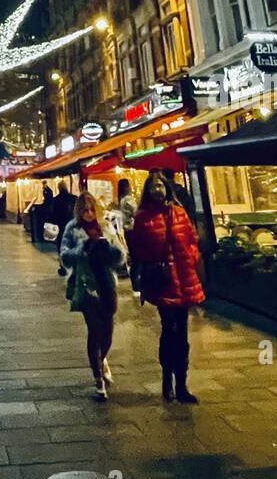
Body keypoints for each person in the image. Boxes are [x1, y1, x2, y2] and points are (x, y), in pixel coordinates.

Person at [131, 170, 204, 404]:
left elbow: (192, 241)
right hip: (162, 282)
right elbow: (138, 251)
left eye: (161, 185)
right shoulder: (143, 218)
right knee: (169, 328)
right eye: (153, 186)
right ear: (148, 191)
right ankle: (167, 381)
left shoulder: (179, 213)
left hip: (184, 280)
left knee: (181, 333)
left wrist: (190, 260)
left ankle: (181, 384)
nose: (158, 189)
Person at [59, 192, 125, 401]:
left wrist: (109, 250)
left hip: (106, 284)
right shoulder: (72, 228)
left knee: (108, 333)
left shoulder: (105, 226)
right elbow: (65, 258)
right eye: (84, 210)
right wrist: (82, 249)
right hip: (85, 285)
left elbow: (121, 254)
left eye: (91, 209)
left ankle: (101, 358)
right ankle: (98, 379)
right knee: (94, 331)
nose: (88, 214)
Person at [53, 184, 76, 274]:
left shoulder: (56, 200)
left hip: (62, 227)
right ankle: (74, 265)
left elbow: (53, 215)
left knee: (61, 247)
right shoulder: (74, 198)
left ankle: (63, 267)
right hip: (73, 226)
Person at [116, 178, 136, 273]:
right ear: (127, 187)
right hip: (132, 229)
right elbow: (135, 212)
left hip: (125, 229)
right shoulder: (128, 199)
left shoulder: (121, 199)